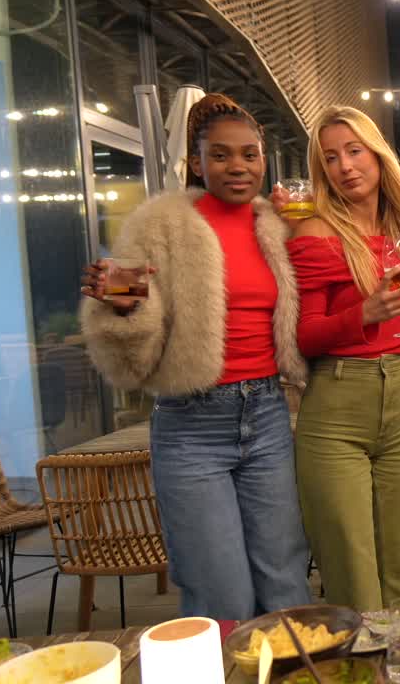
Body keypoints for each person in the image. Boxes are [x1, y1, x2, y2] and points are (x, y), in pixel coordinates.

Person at [79, 93, 311, 619]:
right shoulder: (160, 224)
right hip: (191, 426)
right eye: (221, 154)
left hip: (270, 415)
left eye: (250, 154)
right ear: (197, 162)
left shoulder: (278, 222)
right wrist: (122, 310)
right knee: (219, 593)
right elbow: (127, 363)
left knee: (285, 580)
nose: (238, 166)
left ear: (264, 160)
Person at [288, 105, 400, 612]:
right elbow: (305, 337)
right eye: (331, 158)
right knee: (351, 564)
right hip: (337, 404)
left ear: (378, 156)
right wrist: (366, 311)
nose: (345, 166)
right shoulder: (314, 233)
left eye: (355, 151)